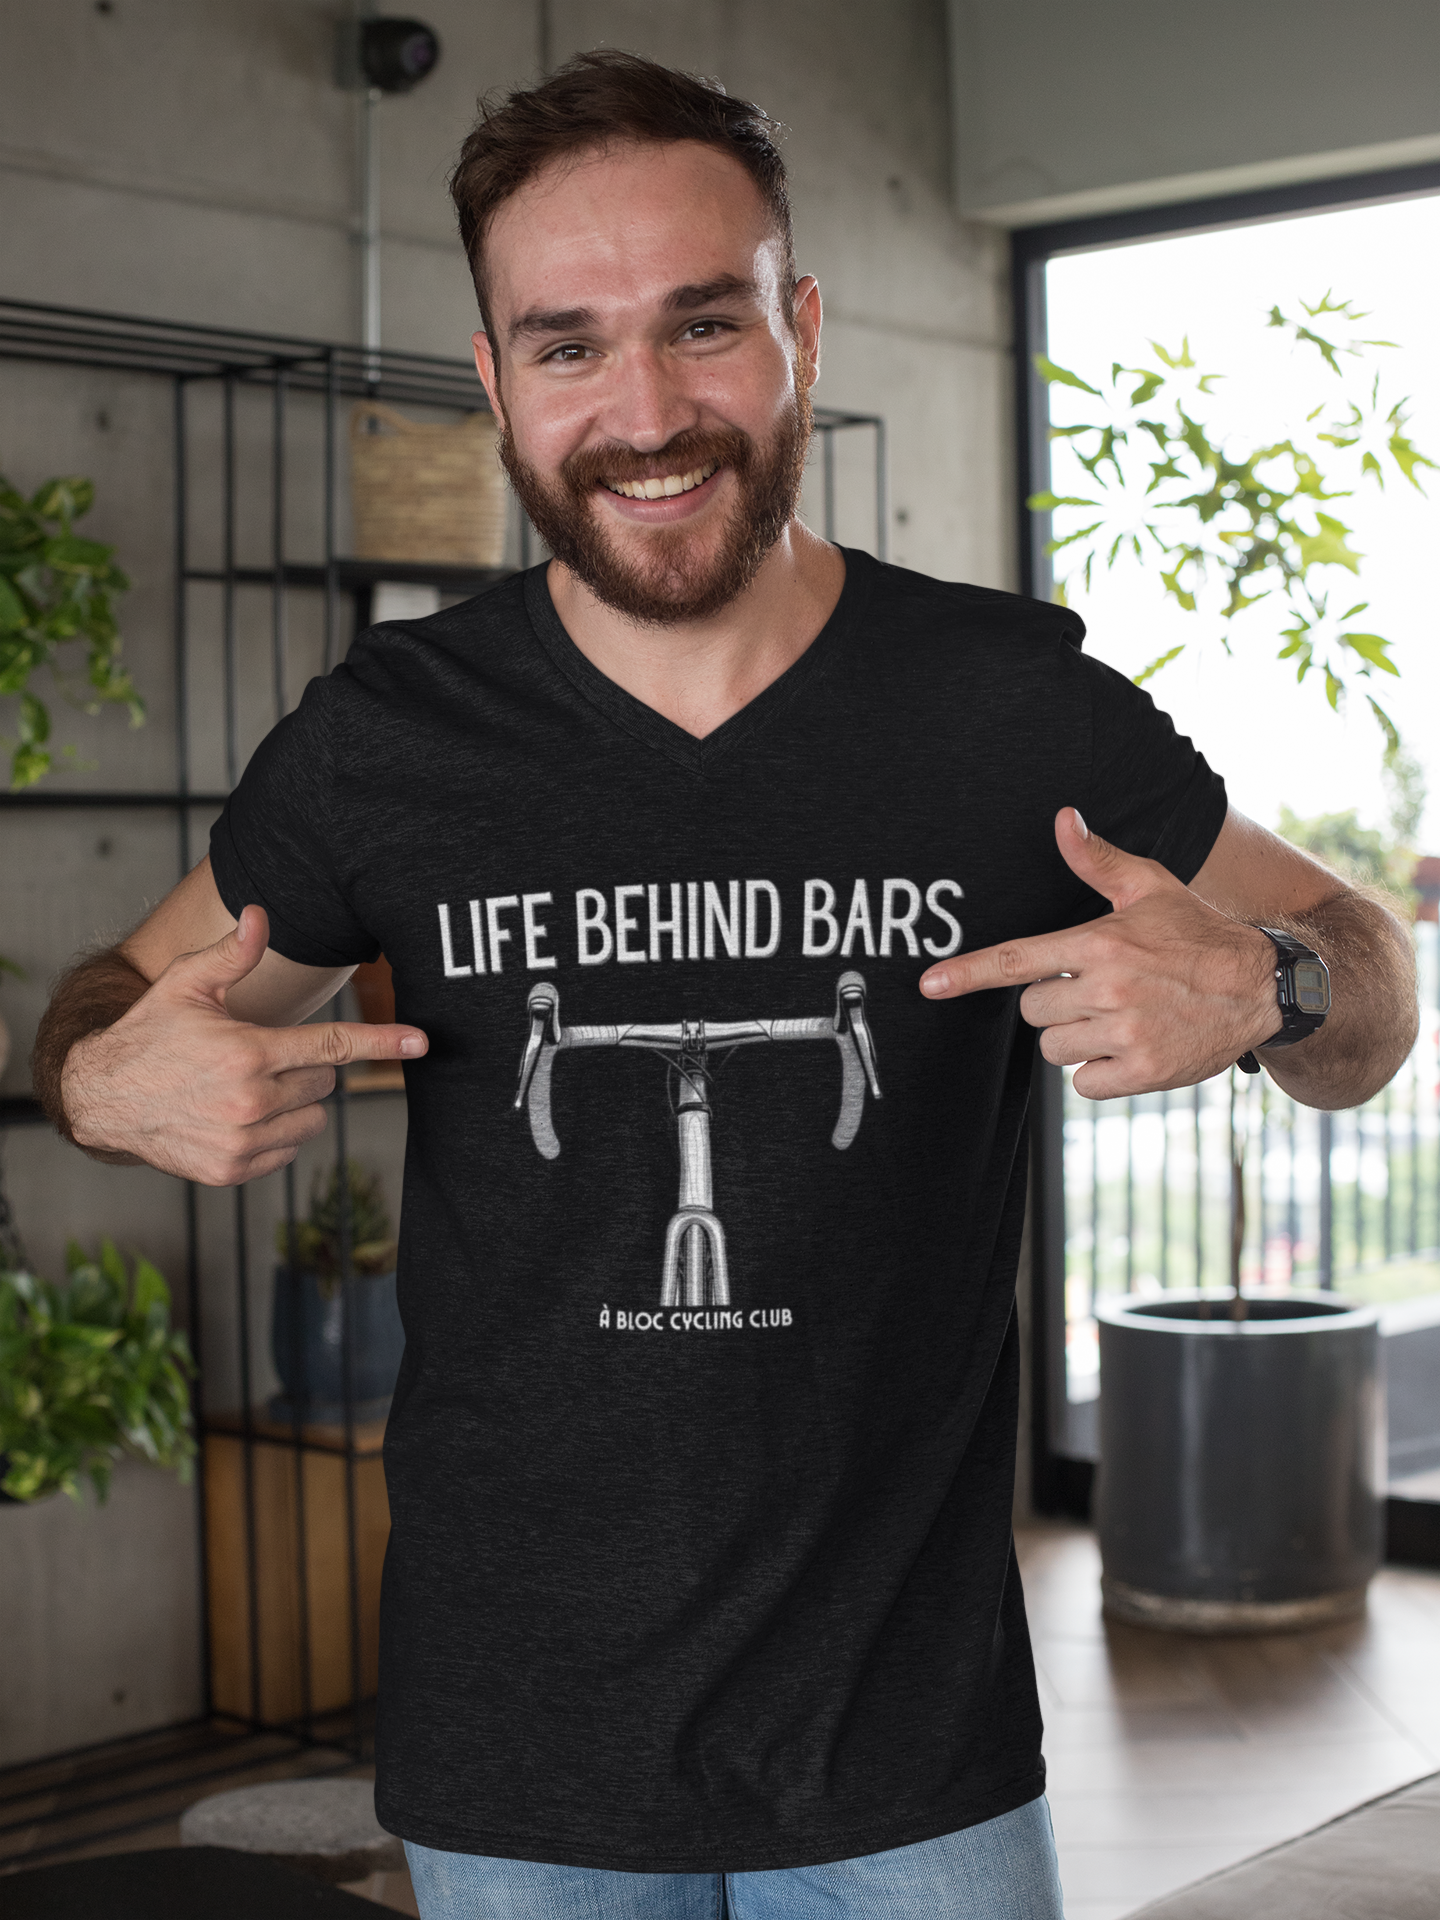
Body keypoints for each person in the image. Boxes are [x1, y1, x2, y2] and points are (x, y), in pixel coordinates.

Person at [35, 49, 1416, 1920]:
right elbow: (113, 1007)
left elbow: (1372, 978)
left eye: (704, 323)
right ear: (497, 381)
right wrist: (106, 1079)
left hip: (908, 1749)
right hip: (520, 1752)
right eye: (571, 345)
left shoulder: (1009, 709)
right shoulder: (385, 744)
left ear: (801, 331)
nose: (648, 412)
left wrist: (1269, 985)